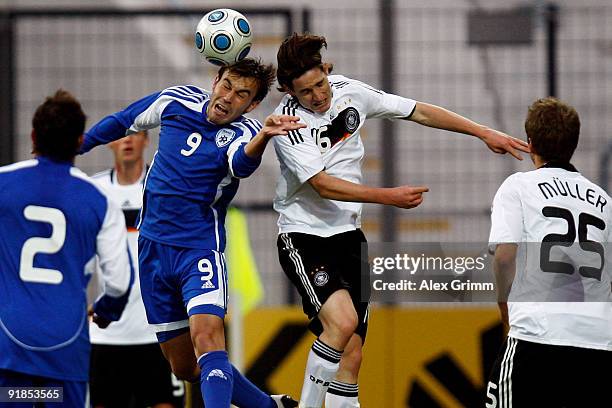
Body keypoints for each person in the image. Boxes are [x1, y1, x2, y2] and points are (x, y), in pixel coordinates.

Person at [271, 33, 530, 408]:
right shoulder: (286, 124)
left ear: (327, 71)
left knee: (353, 354)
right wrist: (387, 197)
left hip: (348, 236)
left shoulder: (351, 93)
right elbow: (322, 185)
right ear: (290, 91)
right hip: (304, 235)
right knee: (341, 325)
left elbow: (418, 110)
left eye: (320, 83)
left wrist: (482, 131)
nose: (318, 96)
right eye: (306, 91)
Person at [79, 58, 304, 408]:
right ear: (216, 80)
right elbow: (125, 120)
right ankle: (266, 406)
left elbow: (241, 164)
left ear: (253, 105)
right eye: (227, 86)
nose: (229, 98)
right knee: (185, 366)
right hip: (152, 252)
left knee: (208, 338)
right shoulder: (176, 101)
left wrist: (263, 136)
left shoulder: (245, 133)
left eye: (242, 94)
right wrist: (79, 144)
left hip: (198, 251)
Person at [0, 90, 132, 407]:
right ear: (78, 142)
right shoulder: (99, 200)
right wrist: (105, 312)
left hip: (9, 345)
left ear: (33, 136)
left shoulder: (4, 182)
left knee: (14, 399)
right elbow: (118, 282)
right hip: (66, 346)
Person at [486, 97, 611, 407]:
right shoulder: (604, 201)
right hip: (597, 341)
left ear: (530, 143)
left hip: (538, 336)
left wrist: (506, 316)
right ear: (574, 143)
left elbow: (504, 258)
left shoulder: (518, 187)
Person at [89, 130, 185, 408]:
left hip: (157, 328)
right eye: (120, 136)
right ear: (110, 142)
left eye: (135, 135)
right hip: (107, 332)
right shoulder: (95, 191)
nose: (127, 141)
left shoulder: (162, 188)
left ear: (146, 140)